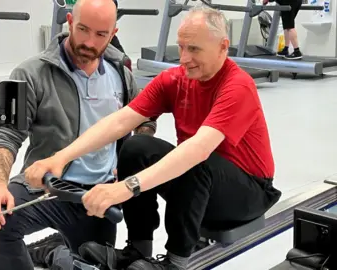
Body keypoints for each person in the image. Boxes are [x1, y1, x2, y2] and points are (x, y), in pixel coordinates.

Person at [24, 6, 282, 270]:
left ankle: (176, 262)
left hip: (249, 194)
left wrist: (125, 187)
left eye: (194, 49)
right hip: (200, 186)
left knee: (192, 160)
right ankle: (138, 250)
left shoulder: (237, 86)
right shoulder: (175, 80)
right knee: (136, 147)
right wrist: (60, 158)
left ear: (222, 46)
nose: (183, 58)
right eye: (181, 47)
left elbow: (199, 148)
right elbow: (120, 121)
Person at [0, 0, 157, 269]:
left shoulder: (122, 74)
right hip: (47, 187)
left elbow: (146, 119)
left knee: (94, 263)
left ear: (113, 33)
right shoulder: (30, 72)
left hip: (98, 195)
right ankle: (54, 249)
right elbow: (6, 136)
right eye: (83, 29)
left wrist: (129, 158)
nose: (89, 42)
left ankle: (51, 251)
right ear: (70, 21)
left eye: (100, 34)